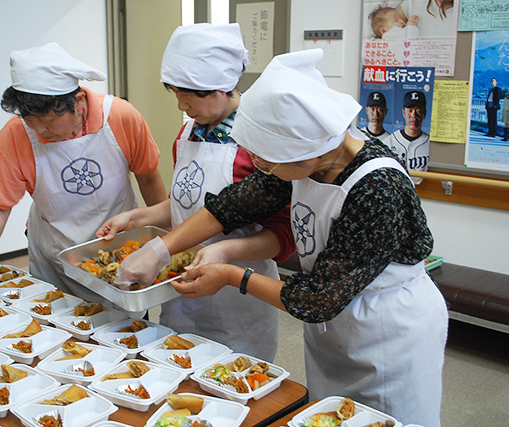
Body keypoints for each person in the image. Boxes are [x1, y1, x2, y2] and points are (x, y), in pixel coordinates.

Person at [112, 49, 448, 427]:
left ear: (309, 149)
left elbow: (317, 299)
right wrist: (159, 248)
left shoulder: (377, 189)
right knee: (329, 414)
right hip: (336, 322)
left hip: (388, 329)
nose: (261, 169)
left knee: (387, 419)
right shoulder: (306, 161)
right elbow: (231, 206)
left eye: (267, 162)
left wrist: (230, 275)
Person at [96, 23, 292, 361]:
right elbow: (187, 204)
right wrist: (137, 216)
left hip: (239, 298)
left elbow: (283, 235)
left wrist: (225, 254)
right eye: (175, 94)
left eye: (189, 96)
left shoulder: (258, 143)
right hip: (181, 291)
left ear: (220, 86)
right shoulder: (188, 132)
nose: (181, 106)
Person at [0, 42, 167, 310]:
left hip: (120, 248)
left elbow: (148, 178)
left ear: (78, 101)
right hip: (55, 255)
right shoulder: (15, 135)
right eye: (31, 121)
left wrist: (166, 239)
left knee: (128, 333)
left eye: (48, 121)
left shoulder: (120, 117)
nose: (40, 131)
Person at [382, 90, 430, 184]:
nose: (414, 115)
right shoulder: (388, 141)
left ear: (424, 114)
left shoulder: (430, 144)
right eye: (410, 110)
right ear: (404, 112)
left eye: (418, 111)